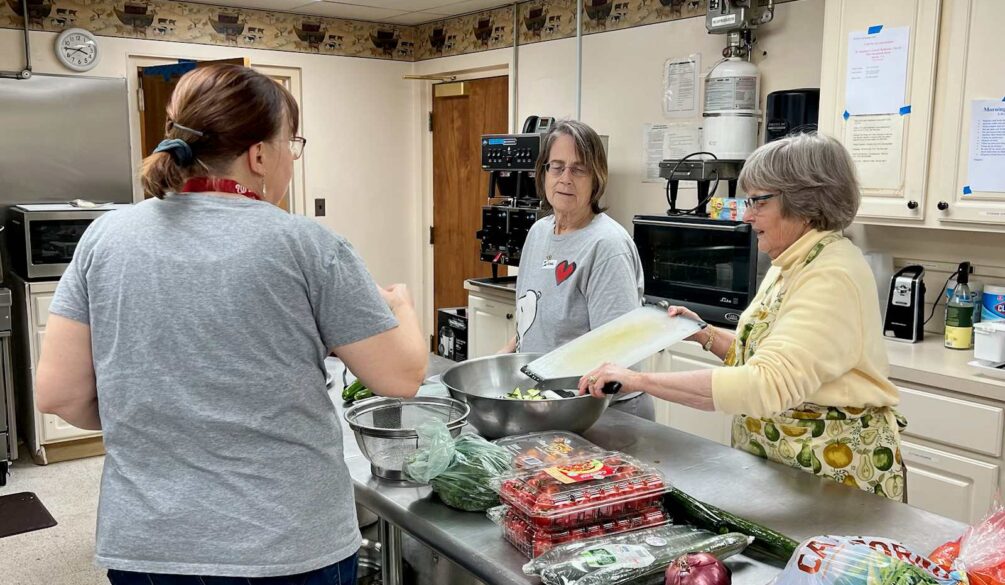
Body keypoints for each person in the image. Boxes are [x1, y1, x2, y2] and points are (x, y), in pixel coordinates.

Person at [35, 64, 428, 584]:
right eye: (292, 143)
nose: (291, 157)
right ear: (259, 155)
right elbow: (400, 379)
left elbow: (59, 395)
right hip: (286, 543)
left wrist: (168, 416)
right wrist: (400, 305)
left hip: (149, 544)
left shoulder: (105, 237)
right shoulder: (309, 246)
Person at [580, 133, 907, 500]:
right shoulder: (792, 260)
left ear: (805, 202)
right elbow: (769, 355)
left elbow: (766, 384)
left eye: (758, 201)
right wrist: (703, 333)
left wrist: (637, 379)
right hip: (789, 475)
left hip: (833, 481)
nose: (747, 215)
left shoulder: (830, 274)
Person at [501, 120, 651, 420]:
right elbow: (530, 330)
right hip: (552, 404)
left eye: (578, 169)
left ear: (596, 178)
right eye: (556, 167)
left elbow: (617, 355)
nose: (565, 178)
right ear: (543, 173)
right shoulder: (539, 232)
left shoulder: (606, 246)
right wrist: (496, 369)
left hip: (605, 414)